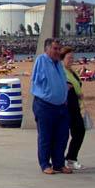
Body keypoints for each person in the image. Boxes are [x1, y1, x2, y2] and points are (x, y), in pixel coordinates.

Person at [31, 38, 71, 174]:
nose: (57, 52)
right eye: (55, 49)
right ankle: (45, 165)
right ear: (47, 49)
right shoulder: (42, 61)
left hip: (60, 106)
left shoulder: (58, 63)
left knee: (62, 135)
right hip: (45, 105)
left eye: (59, 49)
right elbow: (37, 80)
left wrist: (64, 92)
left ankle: (59, 164)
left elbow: (60, 80)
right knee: (46, 136)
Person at [61, 47, 87, 170]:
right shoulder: (61, 71)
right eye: (69, 58)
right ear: (63, 58)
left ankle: (71, 158)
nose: (71, 60)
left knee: (80, 131)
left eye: (72, 57)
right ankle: (67, 159)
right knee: (73, 132)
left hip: (76, 105)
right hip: (67, 106)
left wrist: (79, 93)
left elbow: (76, 85)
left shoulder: (72, 71)